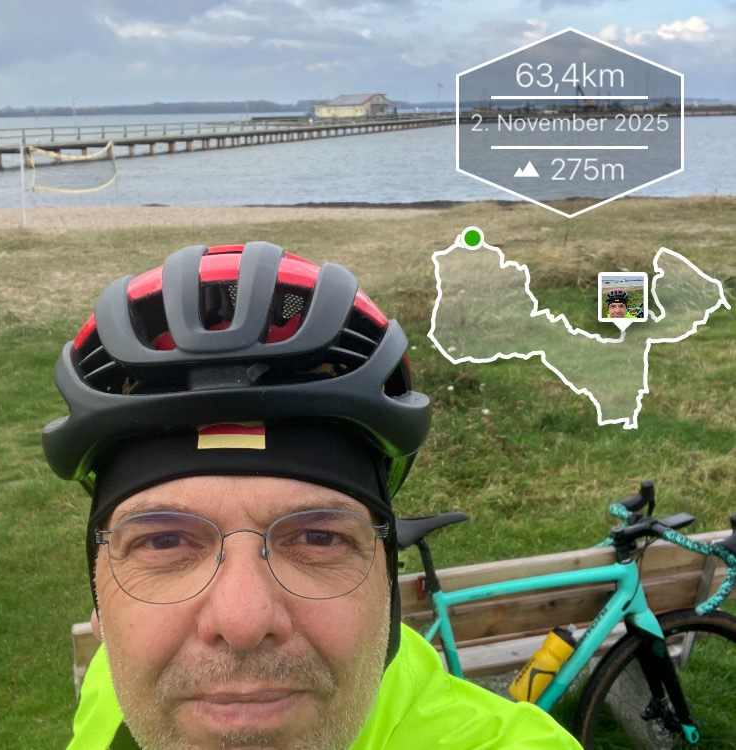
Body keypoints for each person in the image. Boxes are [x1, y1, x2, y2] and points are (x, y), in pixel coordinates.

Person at [43, 241, 582, 750]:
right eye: (162, 541)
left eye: (319, 537)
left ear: (387, 587)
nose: (243, 622)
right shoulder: (109, 689)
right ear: (100, 601)